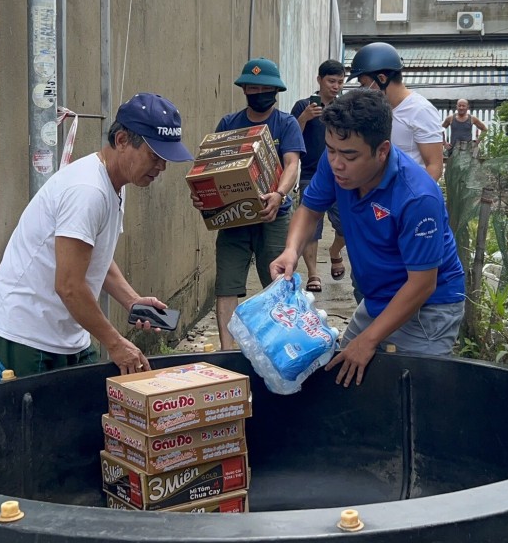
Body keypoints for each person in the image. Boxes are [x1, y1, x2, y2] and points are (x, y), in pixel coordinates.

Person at [0, 93, 194, 383]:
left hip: (65, 334)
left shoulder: (116, 183)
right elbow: (68, 286)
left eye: (166, 159)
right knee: (19, 427)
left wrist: (132, 301)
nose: (161, 167)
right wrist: (115, 343)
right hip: (21, 335)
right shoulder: (88, 190)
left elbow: (94, 255)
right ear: (122, 141)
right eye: (155, 156)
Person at [270, 89, 465, 388]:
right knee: (342, 378)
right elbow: (310, 209)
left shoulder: (417, 197)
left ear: (382, 150)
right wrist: (291, 251)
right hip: (378, 298)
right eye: (331, 150)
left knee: (411, 396)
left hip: (428, 309)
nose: (336, 163)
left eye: (349, 155)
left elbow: (423, 283)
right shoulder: (336, 164)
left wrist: (368, 340)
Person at [192, 58, 304, 351]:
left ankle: (281, 346)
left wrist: (278, 194)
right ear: (244, 90)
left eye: (263, 88)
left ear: (275, 91)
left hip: (274, 216)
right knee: (227, 285)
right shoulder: (229, 124)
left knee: (278, 283)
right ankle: (228, 351)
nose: (258, 93)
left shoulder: (286, 124)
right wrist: (203, 195)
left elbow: (292, 164)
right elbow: (210, 168)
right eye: (252, 88)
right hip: (233, 220)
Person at [348, 42, 445, 182]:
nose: (362, 89)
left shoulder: (421, 111)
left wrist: (412, 199)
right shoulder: (377, 109)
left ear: (381, 79)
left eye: (364, 84)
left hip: (405, 196)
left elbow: (434, 167)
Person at [290, 59, 345, 293]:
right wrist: (304, 118)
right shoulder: (303, 105)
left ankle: (334, 251)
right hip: (311, 174)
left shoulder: (344, 108)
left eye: (340, 82)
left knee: (346, 224)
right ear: (319, 80)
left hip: (342, 174)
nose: (336, 86)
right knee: (311, 226)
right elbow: (290, 139)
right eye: (331, 81)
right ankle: (313, 273)